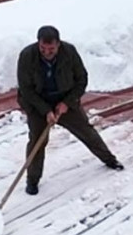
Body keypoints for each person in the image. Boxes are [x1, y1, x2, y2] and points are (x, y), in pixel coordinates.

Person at [15, 25, 122, 196]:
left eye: (51, 49)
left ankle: (109, 160)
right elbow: (26, 89)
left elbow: (81, 79)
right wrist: (45, 111)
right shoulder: (27, 56)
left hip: (64, 99)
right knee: (37, 141)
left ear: (58, 44)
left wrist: (67, 102)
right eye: (43, 48)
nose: (47, 52)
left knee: (86, 131)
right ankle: (32, 180)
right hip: (37, 102)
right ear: (38, 43)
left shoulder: (69, 52)